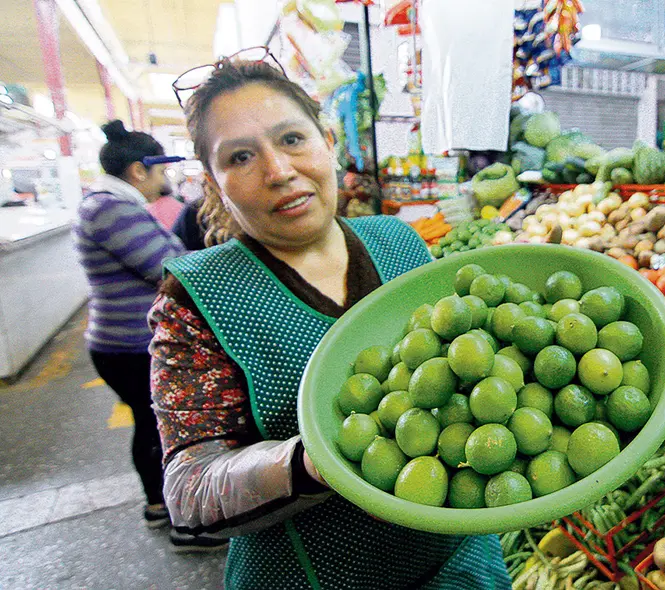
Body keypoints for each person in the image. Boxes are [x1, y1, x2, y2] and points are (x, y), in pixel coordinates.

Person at [148, 56, 510, 589]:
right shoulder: (198, 298)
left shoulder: (401, 242)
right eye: (241, 157)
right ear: (213, 183)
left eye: (292, 138)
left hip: (460, 567)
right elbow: (188, 489)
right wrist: (312, 461)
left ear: (328, 141)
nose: (278, 171)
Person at [72, 122, 188, 534]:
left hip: (120, 343)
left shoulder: (106, 205)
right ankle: (175, 517)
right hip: (130, 346)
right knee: (158, 427)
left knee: (150, 422)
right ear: (139, 171)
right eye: (160, 171)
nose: (165, 181)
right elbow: (168, 269)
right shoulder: (110, 209)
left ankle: (160, 506)